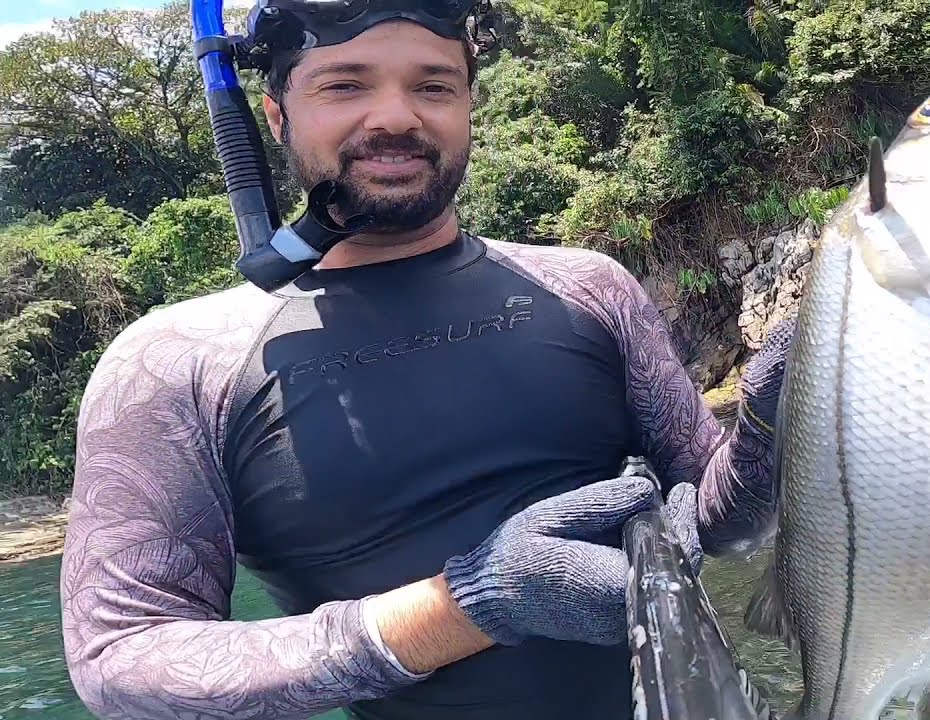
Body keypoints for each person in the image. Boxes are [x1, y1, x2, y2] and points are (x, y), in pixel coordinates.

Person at [58, 1, 793, 718]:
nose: (396, 117)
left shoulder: (590, 288)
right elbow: (120, 662)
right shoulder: (177, 365)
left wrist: (765, 427)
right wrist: (470, 605)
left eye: (433, 85)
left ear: (470, 105)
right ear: (277, 115)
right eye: (345, 84)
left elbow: (726, 525)